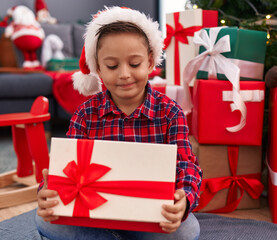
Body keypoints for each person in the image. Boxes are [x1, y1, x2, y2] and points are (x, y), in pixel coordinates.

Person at [35, 6, 202, 240]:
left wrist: (183, 200)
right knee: (46, 220)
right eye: (112, 66)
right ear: (99, 69)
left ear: (150, 62)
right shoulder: (85, 114)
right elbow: (65, 170)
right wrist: (47, 191)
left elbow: (187, 165)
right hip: (95, 214)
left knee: (186, 231)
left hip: (151, 214)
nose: (124, 74)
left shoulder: (170, 112)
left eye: (134, 64)